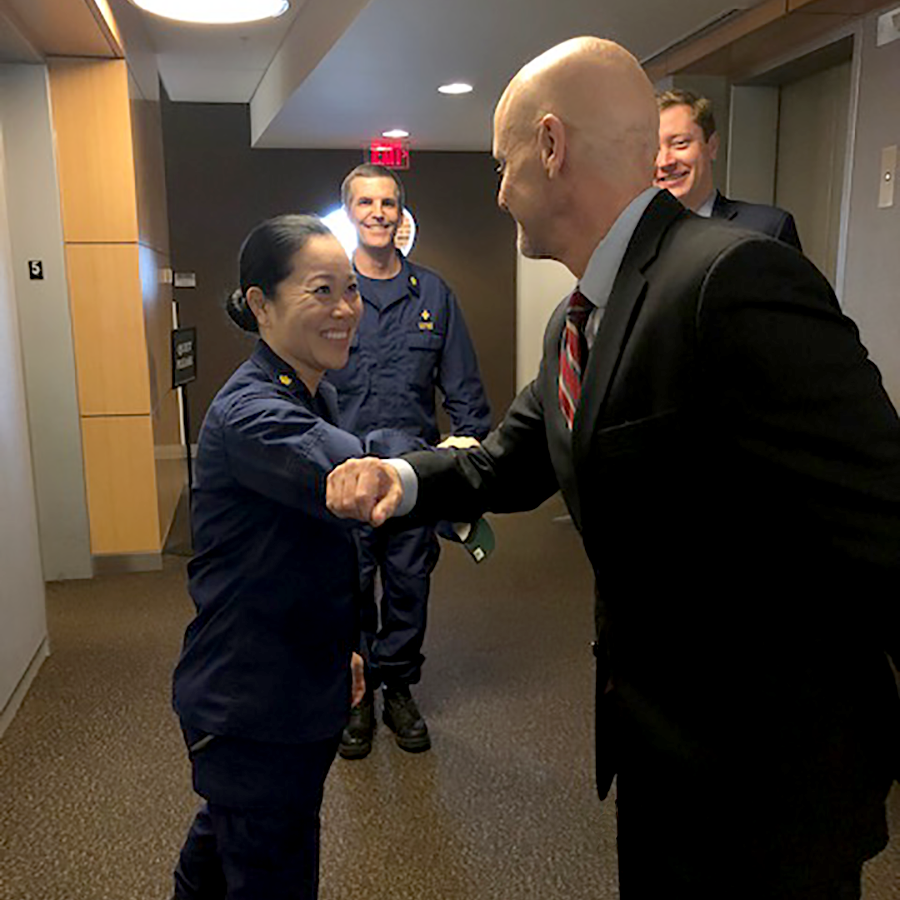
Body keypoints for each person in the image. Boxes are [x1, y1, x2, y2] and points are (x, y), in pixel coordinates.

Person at [326, 37, 900, 899]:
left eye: (502, 163)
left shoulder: (730, 278)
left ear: (551, 146)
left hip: (767, 777)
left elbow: (880, 510)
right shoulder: (576, 317)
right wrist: (398, 480)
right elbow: (506, 462)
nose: (498, 191)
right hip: (660, 752)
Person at [171, 215, 373, 900]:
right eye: (322, 291)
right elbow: (355, 473)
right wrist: (446, 466)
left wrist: (340, 647)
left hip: (283, 677)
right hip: (253, 702)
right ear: (260, 303)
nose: (346, 309)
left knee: (227, 840)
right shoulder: (254, 414)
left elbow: (309, 552)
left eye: (351, 289)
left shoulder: (314, 390)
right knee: (269, 866)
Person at [324, 164, 491, 759]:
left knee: (408, 586)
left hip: (412, 478)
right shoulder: (330, 294)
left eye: (388, 202)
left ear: (401, 214)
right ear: (349, 213)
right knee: (348, 587)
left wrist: (469, 476)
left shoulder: (434, 294)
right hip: (341, 474)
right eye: (365, 202)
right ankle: (356, 694)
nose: (377, 212)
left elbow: (465, 391)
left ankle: (397, 686)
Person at [655, 87, 803, 250]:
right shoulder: (635, 241)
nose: (664, 162)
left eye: (680, 143)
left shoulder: (766, 230)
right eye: (653, 149)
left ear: (712, 146)